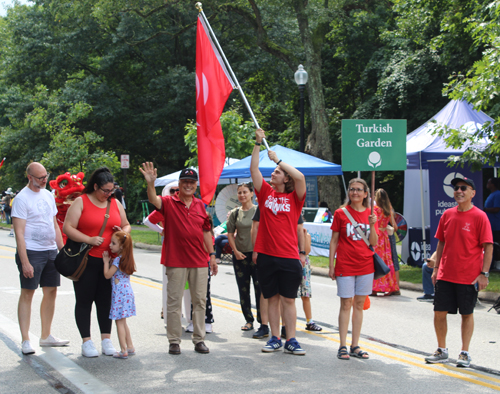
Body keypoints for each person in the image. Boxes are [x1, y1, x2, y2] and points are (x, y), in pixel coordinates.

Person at [139, 164, 218, 355]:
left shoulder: (201, 206)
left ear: (196, 185)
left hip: (200, 261)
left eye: (192, 182)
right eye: (185, 182)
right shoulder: (168, 202)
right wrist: (150, 183)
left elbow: (207, 231)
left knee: (199, 301)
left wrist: (212, 256)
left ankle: (199, 339)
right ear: (180, 184)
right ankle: (174, 340)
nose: (188, 185)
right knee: (174, 302)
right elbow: (153, 200)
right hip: (176, 261)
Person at [425, 177, 492, 368]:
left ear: (473, 193)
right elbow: (442, 242)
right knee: (439, 312)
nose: (459, 191)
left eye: (464, 188)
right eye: (456, 188)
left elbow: (488, 247)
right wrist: (436, 268)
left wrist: (484, 274)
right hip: (446, 273)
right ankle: (442, 350)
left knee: (466, 313)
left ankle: (464, 353)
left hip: (468, 275)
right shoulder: (447, 214)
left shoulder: (480, 216)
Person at [63, 167, 131, 358]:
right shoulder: (81, 201)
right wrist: (89, 239)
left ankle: (106, 339)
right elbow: (68, 228)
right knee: (84, 301)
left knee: (106, 301)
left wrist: (123, 232)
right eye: (105, 191)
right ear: (95, 186)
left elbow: (127, 224)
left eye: (111, 191)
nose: (109, 194)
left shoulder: (115, 203)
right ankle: (87, 341)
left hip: (109, 262)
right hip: (87, 260)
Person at [250, 128, 307, 356]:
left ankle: (291, 339)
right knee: (271, 299)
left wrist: (280, 160)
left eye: (277, 172)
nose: (273, 174)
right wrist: (257, 143)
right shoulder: (265, 193)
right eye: (273, 171)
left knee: (289, 300)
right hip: (266, 255)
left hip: (289, 257)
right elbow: (254, 169)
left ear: (286, 178)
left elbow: (301, 177)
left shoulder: (295, 199)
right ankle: (274, 338)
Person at [12, 162, 68, 355]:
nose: (44, 180)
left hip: (50, 250)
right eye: (40, 178)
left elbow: (54, 225)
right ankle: (26, 339)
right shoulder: (21, 199)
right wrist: (25, 261)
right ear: (29, 177)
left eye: (46, 176)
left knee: (51, 291)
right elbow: (19, 233)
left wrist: (62, 252)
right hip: (32, 251)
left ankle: (46, 335)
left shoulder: (48, 195)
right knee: (28, 292)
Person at [329, 178, 378, 360]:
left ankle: (355, 345)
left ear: (366, 194)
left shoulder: (371, 214)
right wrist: (331, 264)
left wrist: (372, 224)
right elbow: (334, 240)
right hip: (345, 264)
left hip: (366, 265)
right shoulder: (341, 213)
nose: (355, 193)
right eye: (352, 189)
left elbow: (373, 242)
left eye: (359, 190)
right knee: (346, 304)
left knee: (359, 304)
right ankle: (342, 345)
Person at [226, 182, 260, 331]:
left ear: (252, 193)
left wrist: (258, 251)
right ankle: (248, 319)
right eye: (239, 193)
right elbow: (229, 234)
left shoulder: (259, 210)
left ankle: (263, 320)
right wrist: (235, 251)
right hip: (240, 255)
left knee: (261, 289)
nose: (242, 195)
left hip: (257, 255)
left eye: (245, 192)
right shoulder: (235, 213)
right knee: (243, 289)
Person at [103, 231, 136, 359]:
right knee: (123, 321)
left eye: (113, 243)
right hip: (127, 292)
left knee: (119, 322)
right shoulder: (127, 259)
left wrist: (106, 262)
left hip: (119, 293)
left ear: (121, 246)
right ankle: (130, 346)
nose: (110, 245)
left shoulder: (117, 260)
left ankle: (123, 350)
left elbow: (107, 275)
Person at [371, 189, 400, 296]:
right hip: (385, 238)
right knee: (387, 262)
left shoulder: (374, 210)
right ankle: (391, 287)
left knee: (375, 262)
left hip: (377, 237)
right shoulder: (389, 210)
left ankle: (374, 288)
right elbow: (395, 227)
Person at [297, 224, 322, 332]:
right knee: (288, 296)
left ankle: (310, 321)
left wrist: (304, 235)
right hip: (290, 261)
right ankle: (285, 323)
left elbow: (307, 251)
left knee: (305, 294)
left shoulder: (306, 234)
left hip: (303, 264)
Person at [484, 177, 500, 267]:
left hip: (496, 225)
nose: (487, 184)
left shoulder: (497, 194)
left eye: (488, 182)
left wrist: (484, 210)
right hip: (491, 225)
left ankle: (497, 264)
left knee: (496, 244)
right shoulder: (492, 194)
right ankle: (493, 263)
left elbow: (497, 208)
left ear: (493, 184)